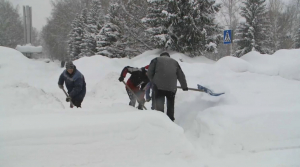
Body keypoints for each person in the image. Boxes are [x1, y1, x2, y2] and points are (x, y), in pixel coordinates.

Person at [147, 52, 188, 121]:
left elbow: (149, 73)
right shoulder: (175, 62)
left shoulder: (156, 60)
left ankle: (160, 121)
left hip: (158, 87)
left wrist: (153, 81)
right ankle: (170, 120)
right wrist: (184, 86)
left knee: (160, 104)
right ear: (168, 56)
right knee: (170, 105)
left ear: (161, 55)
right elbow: (181, 75)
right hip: (171, 88)